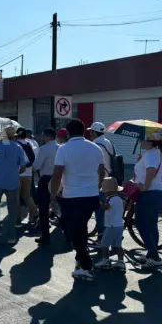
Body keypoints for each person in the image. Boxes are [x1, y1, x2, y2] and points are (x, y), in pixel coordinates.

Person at [50, 119, 105, 281]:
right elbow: (102, 171)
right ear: (84, 131)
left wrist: (53, 194)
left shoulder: (64, 149)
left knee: (75, 231)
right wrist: (98, 185)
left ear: (67, 132)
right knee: (81, 228)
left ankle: (86, 265)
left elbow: (57, 174)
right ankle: (80, 262)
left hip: (72, 196)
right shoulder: (95, 148)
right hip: (92, 196)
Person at [0, 126, 27, 245]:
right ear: (14, 136)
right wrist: (15, 172)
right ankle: (11, 236)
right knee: (12, 210)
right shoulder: (18, 147)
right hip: (13, 183)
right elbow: (23, 167)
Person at [132, 140, 162, 269]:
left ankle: (155, 257)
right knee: (152, 225)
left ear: (150, 141)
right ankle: (151, 255)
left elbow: (151, 171)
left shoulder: (151, 154)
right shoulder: (157, 154)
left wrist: (144, 187)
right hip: (157, 193)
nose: (140, 141)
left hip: (148, 194)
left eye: (143, 139)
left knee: (140, 224)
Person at [88, 122, 115, 243]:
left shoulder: (95, 145)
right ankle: (113, 234)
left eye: (91, 131)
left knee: (99, 211)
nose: (90, 134)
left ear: (94, 132)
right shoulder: (108, 142)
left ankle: (102, 237)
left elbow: (94, 165)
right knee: (108, 210)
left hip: (100, 179)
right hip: (110, 178)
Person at [32, 127, 59, 246]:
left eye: (43, 136)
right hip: (60, 180)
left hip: (46, 180)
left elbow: (36, 166)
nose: (42, 138)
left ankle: (45, 235)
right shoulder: (61, 148)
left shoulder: (44, 149)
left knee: (43, 208)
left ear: (47, 137)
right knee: (61, 205)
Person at [94, 177, 126, 272]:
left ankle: (106, 260)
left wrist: (96, 203)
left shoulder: (112, 199)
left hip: (112, 226)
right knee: (117, 245)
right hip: (119, 225)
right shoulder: (118, 199)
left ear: (107, 190)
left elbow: (105, 207)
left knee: (104, 244)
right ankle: (121, 262)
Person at [16, 127, 39, 226]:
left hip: (18, 173)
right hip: (28, 174)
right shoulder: (30, 144)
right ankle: (35, 214)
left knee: (16, 197)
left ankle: (18, 220)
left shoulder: (15, 145)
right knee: (27, 196)